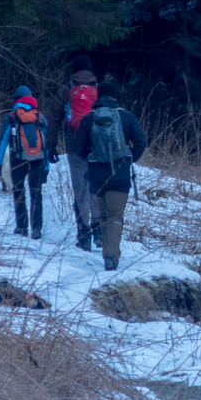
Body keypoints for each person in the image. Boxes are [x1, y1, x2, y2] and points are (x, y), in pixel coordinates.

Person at [72, 82, 147, 270]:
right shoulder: (126, 116)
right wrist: (130, 160)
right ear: (115, 97)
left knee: (104, 215)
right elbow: (141, 141)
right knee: (115, 215)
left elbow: (78, 148)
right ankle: (111, 256)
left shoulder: (89, 119)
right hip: (120, 175)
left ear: (98, 97)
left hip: (97, 176)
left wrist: (91, 161)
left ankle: (108, 253)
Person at [45, 56, 101, 250]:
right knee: (96, 187)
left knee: (80, 190)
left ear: (74, 72)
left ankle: (83, 236)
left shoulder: (65, 91)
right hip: (98, 148)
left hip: (74, 145)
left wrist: (50, 146)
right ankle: (99, 231)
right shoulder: (100, 91)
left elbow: (53, 119)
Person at [0, 88, 49, 239]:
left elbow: (3, 141)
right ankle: (37, 228)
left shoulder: (11, 116)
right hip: (38, 159)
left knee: (19, 191)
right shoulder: (39, 116)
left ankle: (22, 227)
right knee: (36, 192)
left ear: (16, 99)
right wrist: (46, 166)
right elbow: (46, 144)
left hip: (17, 159)